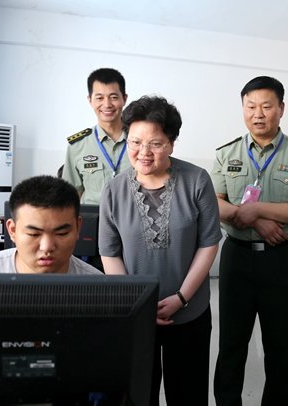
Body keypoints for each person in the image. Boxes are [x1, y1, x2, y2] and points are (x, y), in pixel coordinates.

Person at [99, 95, 221, 406]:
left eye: (155, 143)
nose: (143, 152)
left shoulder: (197, 180)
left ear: (171, 144)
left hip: (189, 311)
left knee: (188, 394)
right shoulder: (113, 190)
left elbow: (208, 243)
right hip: (136, 315)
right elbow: (110, 253)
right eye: (135, 142)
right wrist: (136, 304)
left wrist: (182, 297)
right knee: (139, 395)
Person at [211, 76, 288, 406]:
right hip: (238, 257)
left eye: (267, 106)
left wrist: (255, 208)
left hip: (282, 258)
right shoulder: (226, 153)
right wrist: (256, 219)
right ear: (243, 108)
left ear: (281, 109)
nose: (258, 114)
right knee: (231, 343)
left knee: (280, 345)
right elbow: (214, 202)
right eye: (251, 106)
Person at [0, 175, 101, 275]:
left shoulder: (96, 287)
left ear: (78, 228)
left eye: (61, 233)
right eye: (34, 234)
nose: (47, 247)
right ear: (12, 230)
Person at [62, 67, 131, 204]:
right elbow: (69, 196)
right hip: (93, 216)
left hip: (131, 215)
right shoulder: (77, 146)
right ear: (90, 100)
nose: (107, 104)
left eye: (114, 97)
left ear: (124, 99)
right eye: (99, 98)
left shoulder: (141, 141)